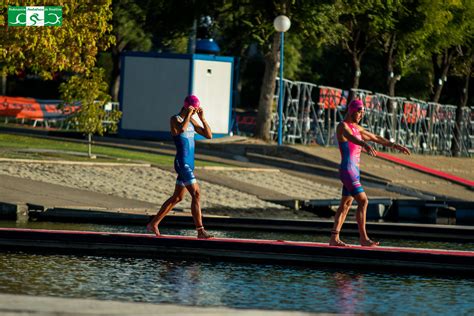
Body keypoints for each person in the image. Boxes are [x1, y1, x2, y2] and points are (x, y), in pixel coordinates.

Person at [329, 99, 410, 247]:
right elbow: (350, 137)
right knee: (363, 201)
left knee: (346, 204)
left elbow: (376, 138)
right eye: (359, 112)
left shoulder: (358, 128)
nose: (361, 115)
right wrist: (363, 144)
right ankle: (363, 238)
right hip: (348, 170)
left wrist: (395, 145)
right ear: (351, 111)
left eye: (362, 112)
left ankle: (334, 238)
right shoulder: (342, 126)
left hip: (354, 171)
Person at [147, 95, 213, 239]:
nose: (195, 111)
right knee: (196, 194)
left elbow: (209, 135)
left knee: (177, 197)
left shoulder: (193, 121)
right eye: (194, 109)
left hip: (190, 163)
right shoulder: (175, 119)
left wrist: (202, 119)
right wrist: (188, 115)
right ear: (187, 107)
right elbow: (181, 130)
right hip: (182, 163)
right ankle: (200, 231)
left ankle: (153, 223)